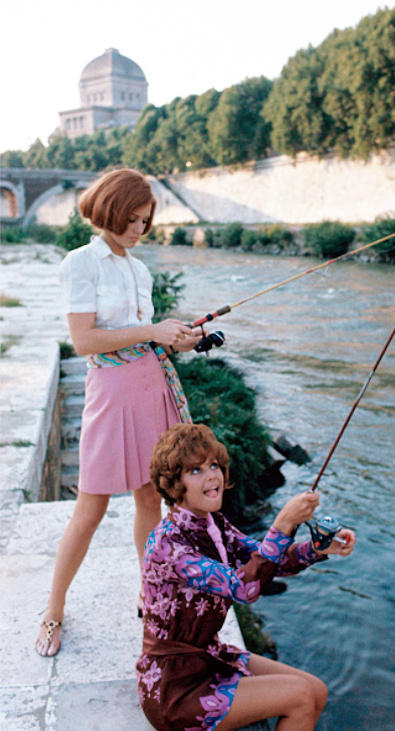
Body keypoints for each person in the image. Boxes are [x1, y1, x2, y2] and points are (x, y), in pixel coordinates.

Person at [35, 168, 202, 657]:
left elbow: (142, 333)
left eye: (146, 222)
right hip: (110, 391)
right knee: (91, 508)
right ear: (108, 208)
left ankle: (150, 591)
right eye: (131, 219)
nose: (137, 230)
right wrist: (153, 332)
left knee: (151, 498)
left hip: (151, 382)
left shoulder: (139, 269)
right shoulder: (81, 262)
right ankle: (53, 610)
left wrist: (177, 338)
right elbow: (85, 340)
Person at [137, 422, 356, 731]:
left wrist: (320, 547)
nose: (212, 475)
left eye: (213, 465)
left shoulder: (214, 525)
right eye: (196, 470)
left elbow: (268, 561)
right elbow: (245, 587)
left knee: (317, 689)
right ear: (174, 484)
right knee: (301, 696)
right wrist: (283, 522)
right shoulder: (168, 545)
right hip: (175, 688)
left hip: (209, 657)